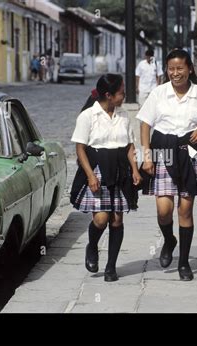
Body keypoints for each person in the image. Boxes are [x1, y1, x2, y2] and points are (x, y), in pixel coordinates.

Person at [136, 49, 197, 281]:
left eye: (180, 68)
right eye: (171, 68)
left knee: (185, 209)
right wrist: (147, 155)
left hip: (189, 151)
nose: (175, 73)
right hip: (163, 151)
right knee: (164, 211)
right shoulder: (159, 93)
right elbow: (144, 124)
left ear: (189, 68)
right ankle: (169, 239)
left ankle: (183, 263)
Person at [70, 74, 142, 282]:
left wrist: (135, 170)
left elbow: (129, 146)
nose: (125, 96)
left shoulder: (124, 115)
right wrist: (90, 175)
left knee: (117, 219)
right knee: (101, 219)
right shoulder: (88, 116)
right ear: (109, 95)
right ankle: (92, 247)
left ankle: (111, 267)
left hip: (120, 169)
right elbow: (80, 148)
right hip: (98, 170)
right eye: (122, 93)